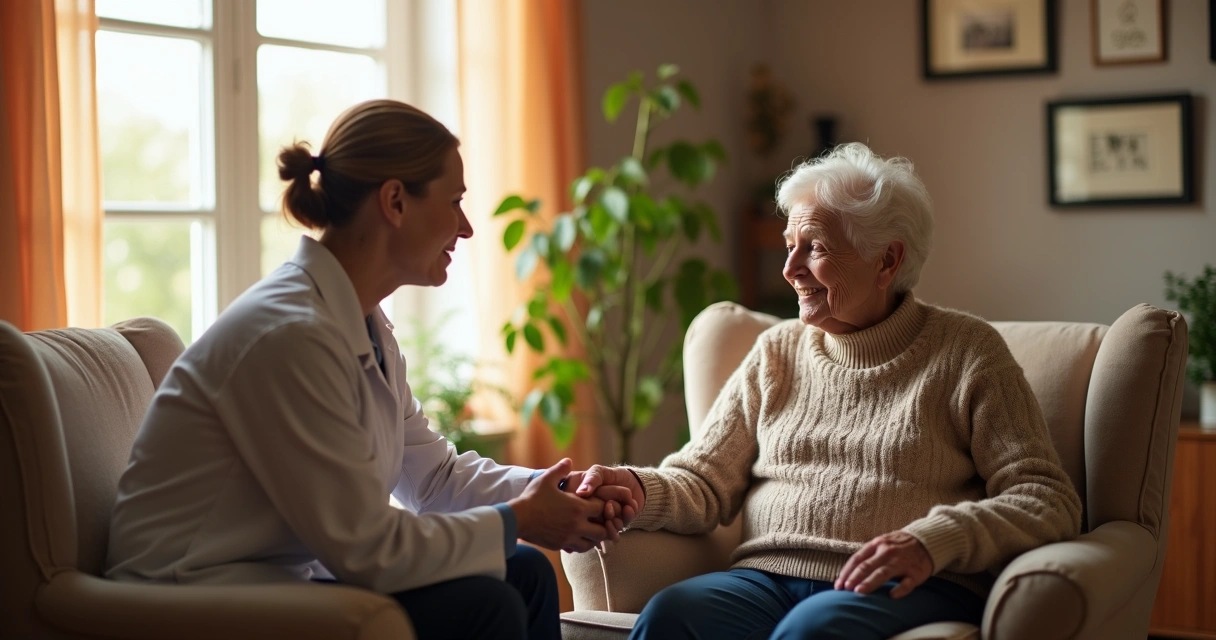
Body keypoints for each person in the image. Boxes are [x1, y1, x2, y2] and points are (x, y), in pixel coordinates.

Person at [105, 99, 635, 640]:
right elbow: (366, 547)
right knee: (485, 602)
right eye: (454, 202)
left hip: (278, 577)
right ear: (396, 201)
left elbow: (432, 478)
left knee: (522, 570)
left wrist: (558, 489)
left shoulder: (363, 324)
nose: (468, 228)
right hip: (189, 599)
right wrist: (521, 518)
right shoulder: (290, 335)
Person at [575, 143, 1083, 639]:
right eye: (788, 244)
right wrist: (638, 488)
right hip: (765, 579)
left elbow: (1047, 498)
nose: (789, 268)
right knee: (673, 614)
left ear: (887, 261)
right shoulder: (776, 352)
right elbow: (705, 481)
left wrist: (933, 541)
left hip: (905, 583)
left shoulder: (968, 353)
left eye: (814, 247)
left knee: (812, 630)